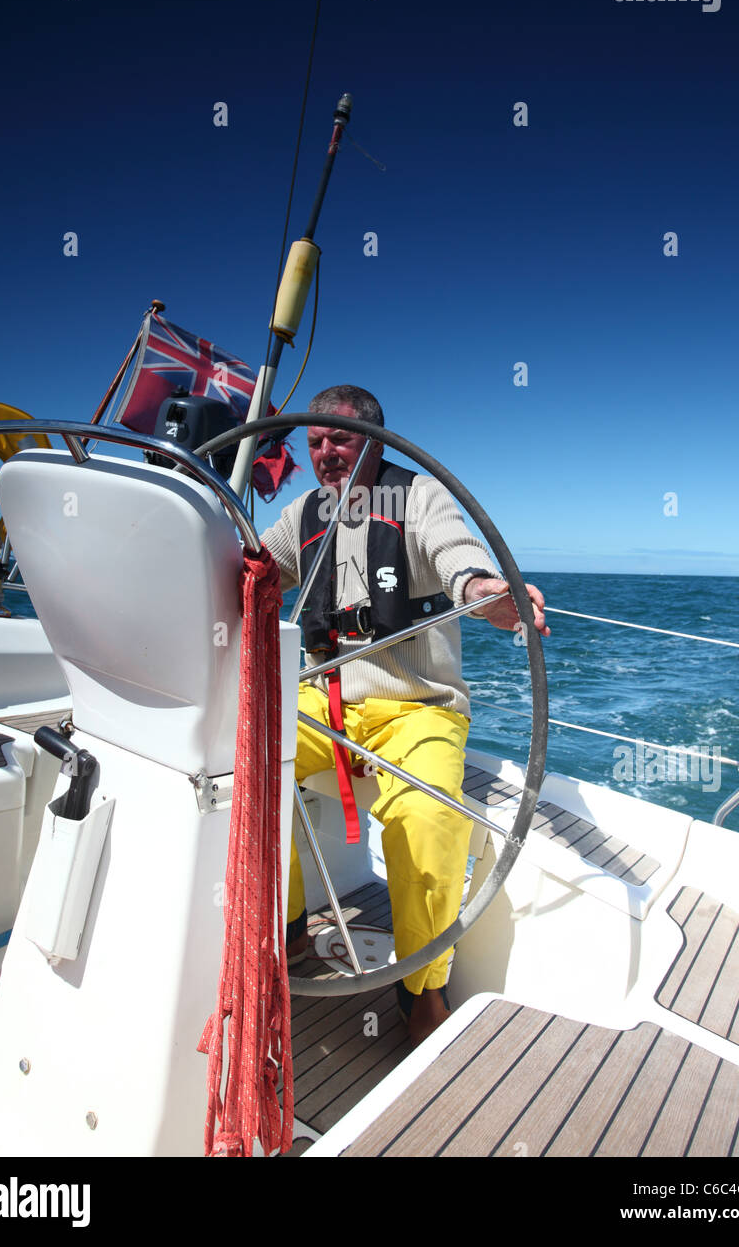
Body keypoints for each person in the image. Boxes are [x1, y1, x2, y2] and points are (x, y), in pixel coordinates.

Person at [259, 385, 549, 1045]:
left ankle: (423, 985)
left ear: (377, 445)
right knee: (241, 766)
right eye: (315, 443)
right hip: (321, 699)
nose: (325, 454)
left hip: (418, 707)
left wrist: (485, 595)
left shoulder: (419, 499)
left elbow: (459, 560)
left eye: (340, 439)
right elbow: (253, 570)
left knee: (428, 815)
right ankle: (291, 927)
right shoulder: (303, 511)